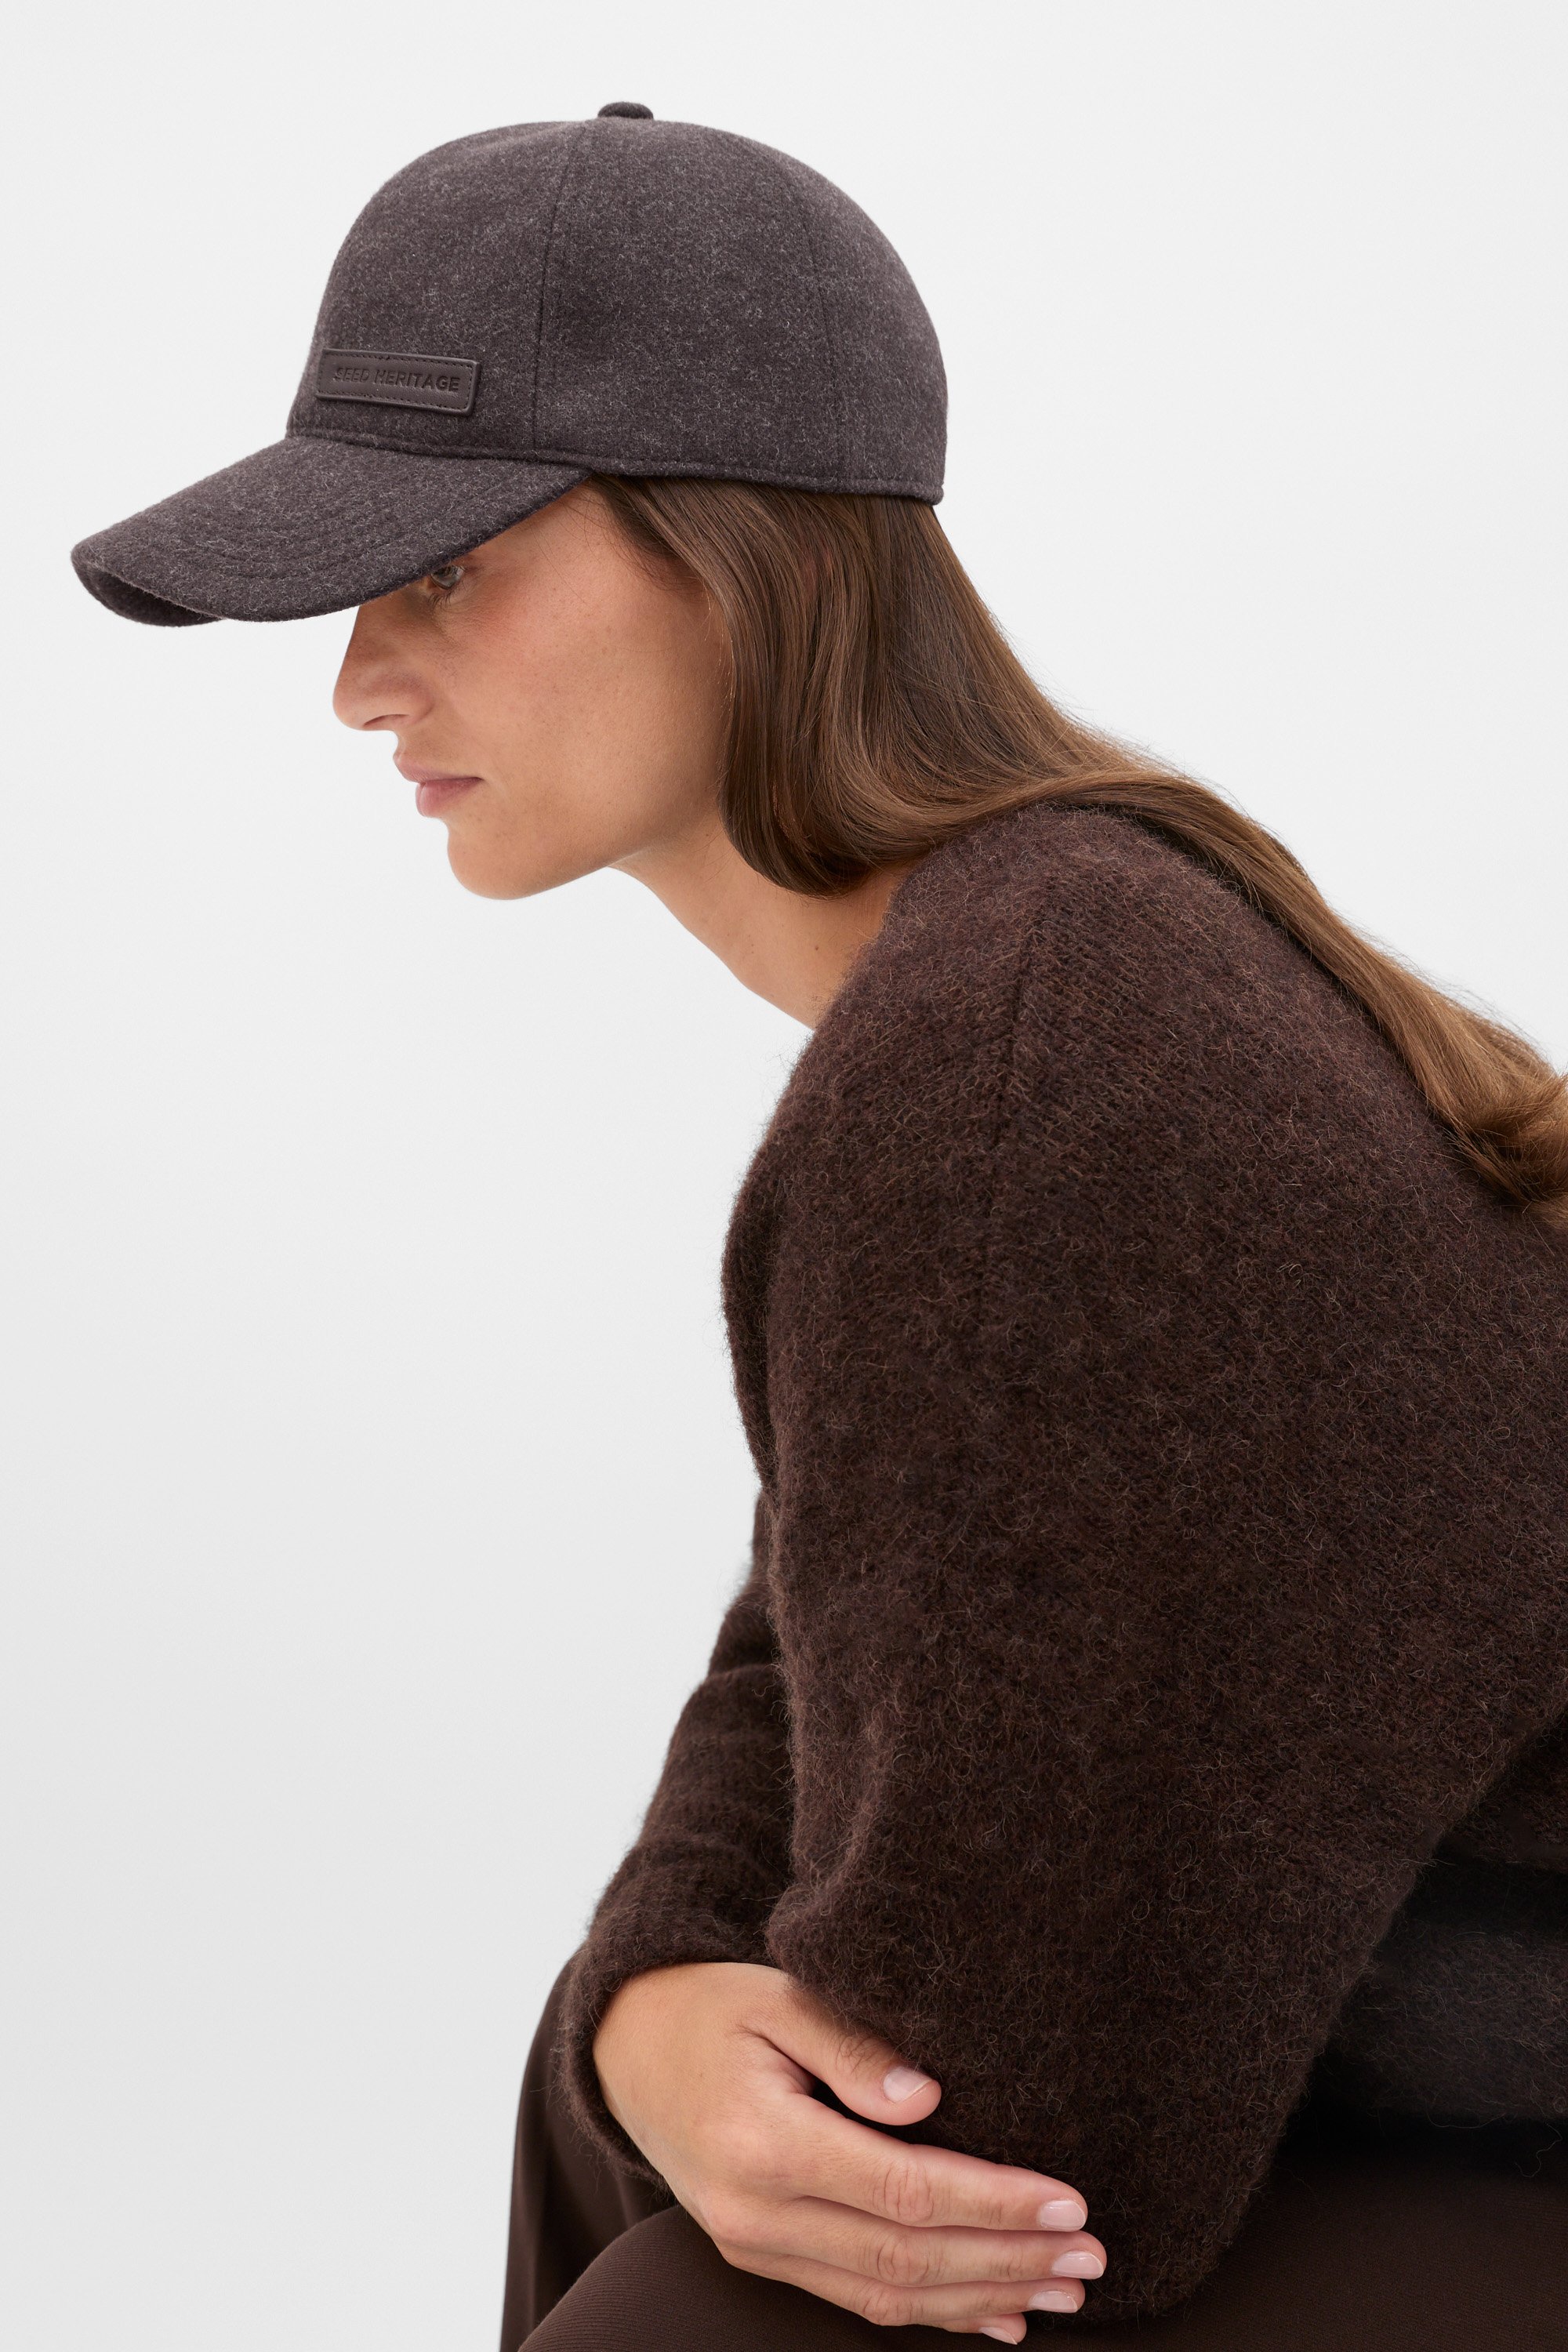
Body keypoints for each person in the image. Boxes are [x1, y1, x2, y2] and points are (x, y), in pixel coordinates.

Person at [72, 104, 1568, 2352]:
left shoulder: (1034, 1054)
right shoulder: (1052, 948)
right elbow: (819, 1617)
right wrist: (649, 1995)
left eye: (448, 566)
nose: (361, 677)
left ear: (738, 557)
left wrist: (647, 2050)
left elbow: (1003, 2140)